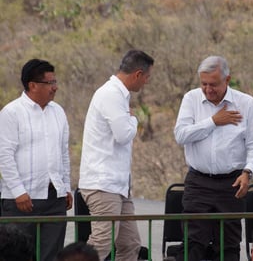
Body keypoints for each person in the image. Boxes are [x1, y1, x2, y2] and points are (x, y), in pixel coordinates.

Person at [174, 55, 253, 261]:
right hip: (198, 182)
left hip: (231, 182)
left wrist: (248, 172)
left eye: (213, 84)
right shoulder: (191, 99)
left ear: (227, 79)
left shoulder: (246, 103)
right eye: (203, 84)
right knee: (193, 242)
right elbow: (181, 135)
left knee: (229, 244)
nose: (208, 89)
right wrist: (213, 121)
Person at [78, 49, 154, 261]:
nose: (146, 82)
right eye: (147, 77)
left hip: (119, 185)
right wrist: (134, 119)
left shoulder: (118, 94)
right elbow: (123, 134)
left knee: (130, 245)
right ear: (138, 74)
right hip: (104, 184)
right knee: (101, 243)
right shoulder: (111, 94)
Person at [0, 59, 72, 261]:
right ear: (33, 85)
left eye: (55, 81)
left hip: (54, 198)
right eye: (50, 83)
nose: (55, 87)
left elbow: (63, 153)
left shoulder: (58, 111)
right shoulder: (12, 112)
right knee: (17, 254)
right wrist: (18, 192)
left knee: (52, 255)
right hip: (22, 200)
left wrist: (65, 186)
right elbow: (4, 155)